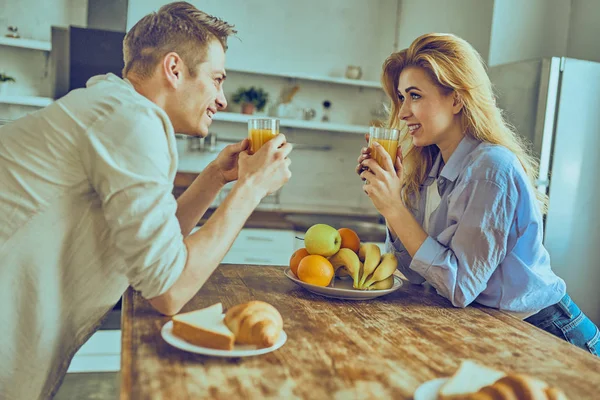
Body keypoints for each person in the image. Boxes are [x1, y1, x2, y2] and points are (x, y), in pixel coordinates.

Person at [0, 2, 292, 398]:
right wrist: (252, 188)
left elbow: (157, 254)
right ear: (174, 69)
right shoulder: (132, 120)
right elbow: (168, 291)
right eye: (216, 79)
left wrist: (212, 180)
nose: (222, 99)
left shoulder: (116, 107)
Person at [357, 33, 599, 355]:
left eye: (414, 96)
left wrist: (395, 210)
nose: (402, 113)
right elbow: (415, 274)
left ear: (457, 99)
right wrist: (394, 202)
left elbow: (460, 287)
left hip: (548, 332)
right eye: (401, 97)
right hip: (489, 328)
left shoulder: (491, 169)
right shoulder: (428, 166)